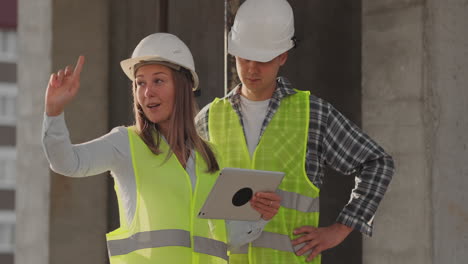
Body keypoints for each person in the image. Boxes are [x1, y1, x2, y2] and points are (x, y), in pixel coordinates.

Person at [42, 33, 280, 264]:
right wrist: (54, 112)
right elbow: (67, 162)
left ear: (183, 87)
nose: (147, 92)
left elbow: (224, 238)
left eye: (158, 80)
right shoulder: (125, 144)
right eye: (140, 83)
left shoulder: (210, 156)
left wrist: (258, 216)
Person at [195, 0, 395, 263]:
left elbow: (378, 163)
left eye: (263, 59)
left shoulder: (312, 114)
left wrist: (340, 229)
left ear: (282, 56)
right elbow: (190, 196)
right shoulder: (209, 119)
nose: (252, 68)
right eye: (245, 58)